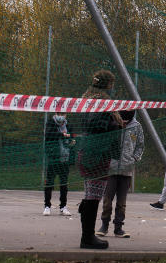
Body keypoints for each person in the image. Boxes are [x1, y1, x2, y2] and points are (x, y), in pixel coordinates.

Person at [74, 69, 124, 249]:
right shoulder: (100, 102)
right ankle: (87, 237)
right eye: (112, 85)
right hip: (96, 154)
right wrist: (115, 125)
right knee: (93, 197)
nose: (113, 89)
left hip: (89, 152)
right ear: (107, 85)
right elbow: (96, 125)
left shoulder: (87, 99)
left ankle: (87, 235)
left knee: (91, 195)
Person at [98, 110, 144, 238]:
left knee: (121, 202)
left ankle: (118, 227)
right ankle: (104, 225)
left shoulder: (137, 126)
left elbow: (140, 145)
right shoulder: (113, 124)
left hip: (127, 169)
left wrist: (134, 158)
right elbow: (105, 141)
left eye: (126, 119)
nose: (124, 121)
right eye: (122, 119)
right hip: (111, 169)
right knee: (107, 199)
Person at [43, 114, 74, 216]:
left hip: (65, 158)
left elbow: (72, 137)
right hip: (53, 158)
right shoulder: (50, 123)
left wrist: (71, 142)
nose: (61, 116)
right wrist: (62, 135)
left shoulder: (69, 125)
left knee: (64, 183)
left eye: (63, 114)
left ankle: (63, 206)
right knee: (50, 182)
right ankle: (47, 206)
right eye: (59, 113)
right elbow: (48, 135)